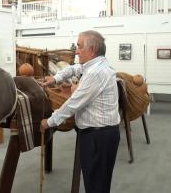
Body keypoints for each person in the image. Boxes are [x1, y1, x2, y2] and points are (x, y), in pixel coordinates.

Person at [41, 30, 120, 193]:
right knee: (95, 182)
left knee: (96, 186)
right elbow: (74, 69)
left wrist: (49, 122)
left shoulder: (96, 73)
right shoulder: (94, 65)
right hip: (96, 136)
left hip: (98, 138)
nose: (76, 51)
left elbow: (73, 104)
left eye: (79, 46)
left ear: (92, 49)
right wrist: (55, 78)